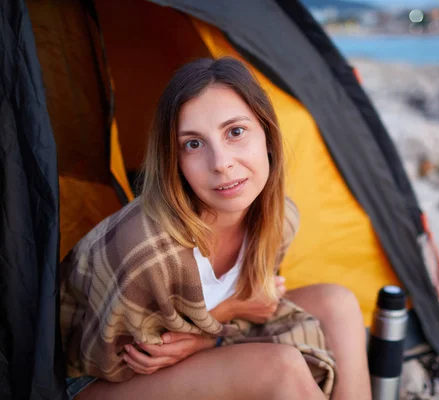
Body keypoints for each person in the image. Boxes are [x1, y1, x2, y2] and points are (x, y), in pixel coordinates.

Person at [60, 57, 371, 400]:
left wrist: (214, 335)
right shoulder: (146, 251)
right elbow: (124, 362)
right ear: (174, 160)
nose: (221, 163)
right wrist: (229, 315)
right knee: (280, 367)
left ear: (267, 134)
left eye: (235, 132)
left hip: (199, 350)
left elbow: (256, 307)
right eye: (193, 143)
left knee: (338, 303)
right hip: (94, 382)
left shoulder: (279, 219)